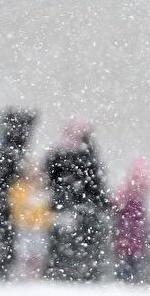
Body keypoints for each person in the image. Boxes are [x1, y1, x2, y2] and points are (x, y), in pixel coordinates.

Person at [44, 119, 111, 282]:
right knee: (80, 244)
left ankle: (63, 273)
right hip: (77, 207)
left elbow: (50, 178)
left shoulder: (58, 153)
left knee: (65, 244)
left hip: (69, 207)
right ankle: (81, 273)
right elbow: (96, 181)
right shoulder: (84, 153)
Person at [0, 109, 36, 279]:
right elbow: (7, 174)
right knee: (1, 234)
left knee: (0, 235)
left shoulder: (6, 147)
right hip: (4, 202)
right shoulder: (11, 149)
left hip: (2, 201)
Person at [8, 160, 53, 279]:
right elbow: (16, 206)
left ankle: (36, 275)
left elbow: (46, 209)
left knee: (39, 252)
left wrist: (46, 219)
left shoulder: (41, 188)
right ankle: (24, 275)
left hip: (40, 227)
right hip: (24, 226)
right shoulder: (19, 188)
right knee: (24, 252)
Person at [112, 156, 150, 283]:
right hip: (129, 242)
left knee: (129, 268)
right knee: (128, 268)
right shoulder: (131, 200)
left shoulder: (130, 199)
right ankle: (126, 283)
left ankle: (126, 283)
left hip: (130, 242)